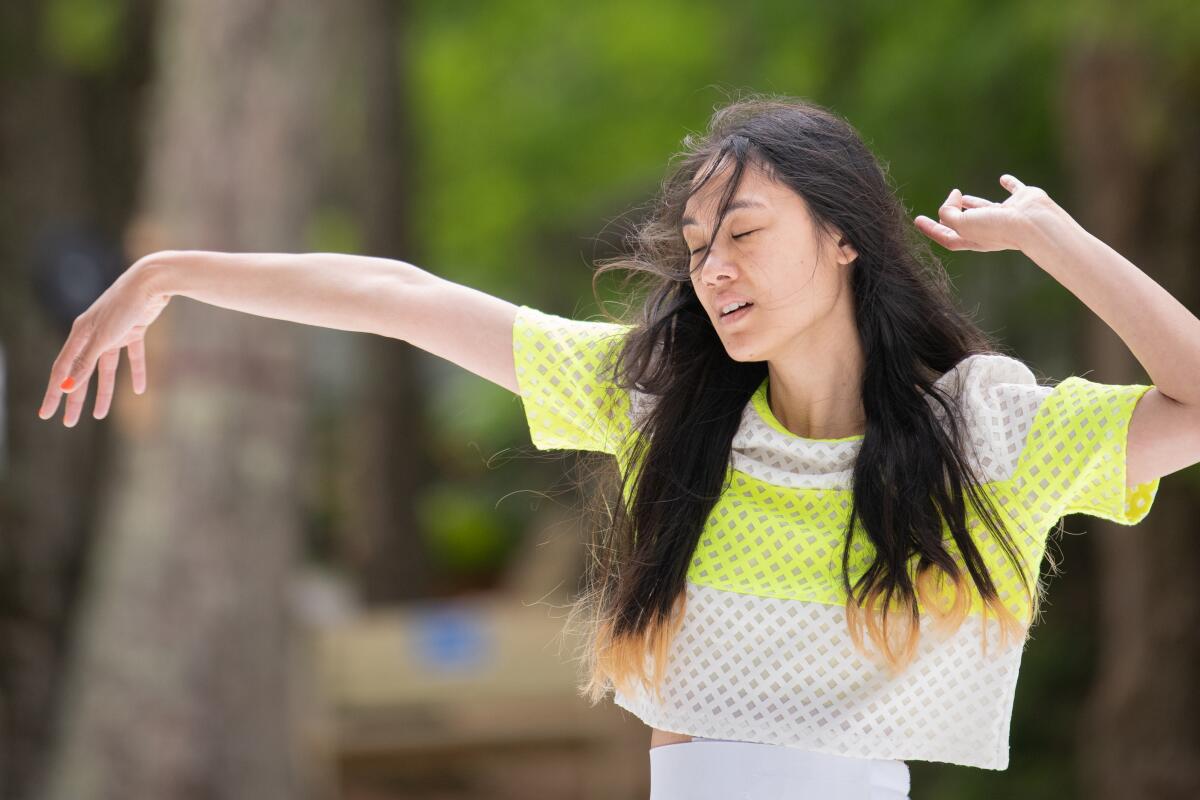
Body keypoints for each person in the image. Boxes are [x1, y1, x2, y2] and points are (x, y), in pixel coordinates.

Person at [38, 95, 1200, 799]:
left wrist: (1055, 238)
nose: (714, 267)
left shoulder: (979, 433)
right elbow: (398, 294)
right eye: (698, 243)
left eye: (743, 231)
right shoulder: (661, 405)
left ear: (846, 239)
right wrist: (172, 270)